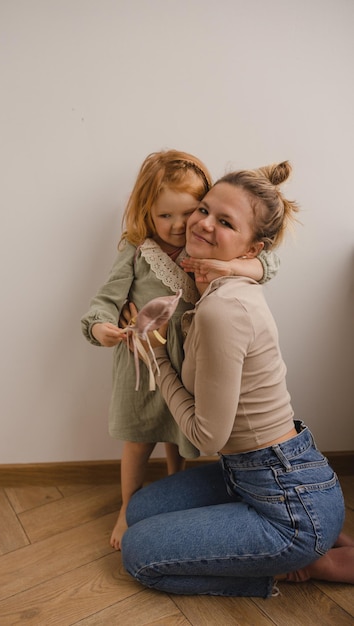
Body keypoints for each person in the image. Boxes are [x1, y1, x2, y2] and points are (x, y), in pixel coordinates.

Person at [121, 161, 354, 596]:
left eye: (224, 222)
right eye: (204, 209)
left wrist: (157, 358)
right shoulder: (224, 280)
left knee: (138, 554)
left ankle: (303, 560)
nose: (202, 224)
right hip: (253, 474)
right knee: (140, 509)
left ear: (252, 250)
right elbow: (263, 258)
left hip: (286, 502)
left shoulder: (221, 309)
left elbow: (207, 437)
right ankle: (314, 534)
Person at [81, 150, 280, 550]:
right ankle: (127, 506)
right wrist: (100, 327)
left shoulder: (206, 248)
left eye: (187, 212)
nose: (177, 227)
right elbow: (106, 299)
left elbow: (269, 265)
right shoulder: (137, 252)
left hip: (187, 361)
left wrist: (233, 268)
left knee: (177, 434)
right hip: (142, 362)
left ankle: (176, 486)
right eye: (163, 216)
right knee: (138, 440)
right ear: (147, 214)